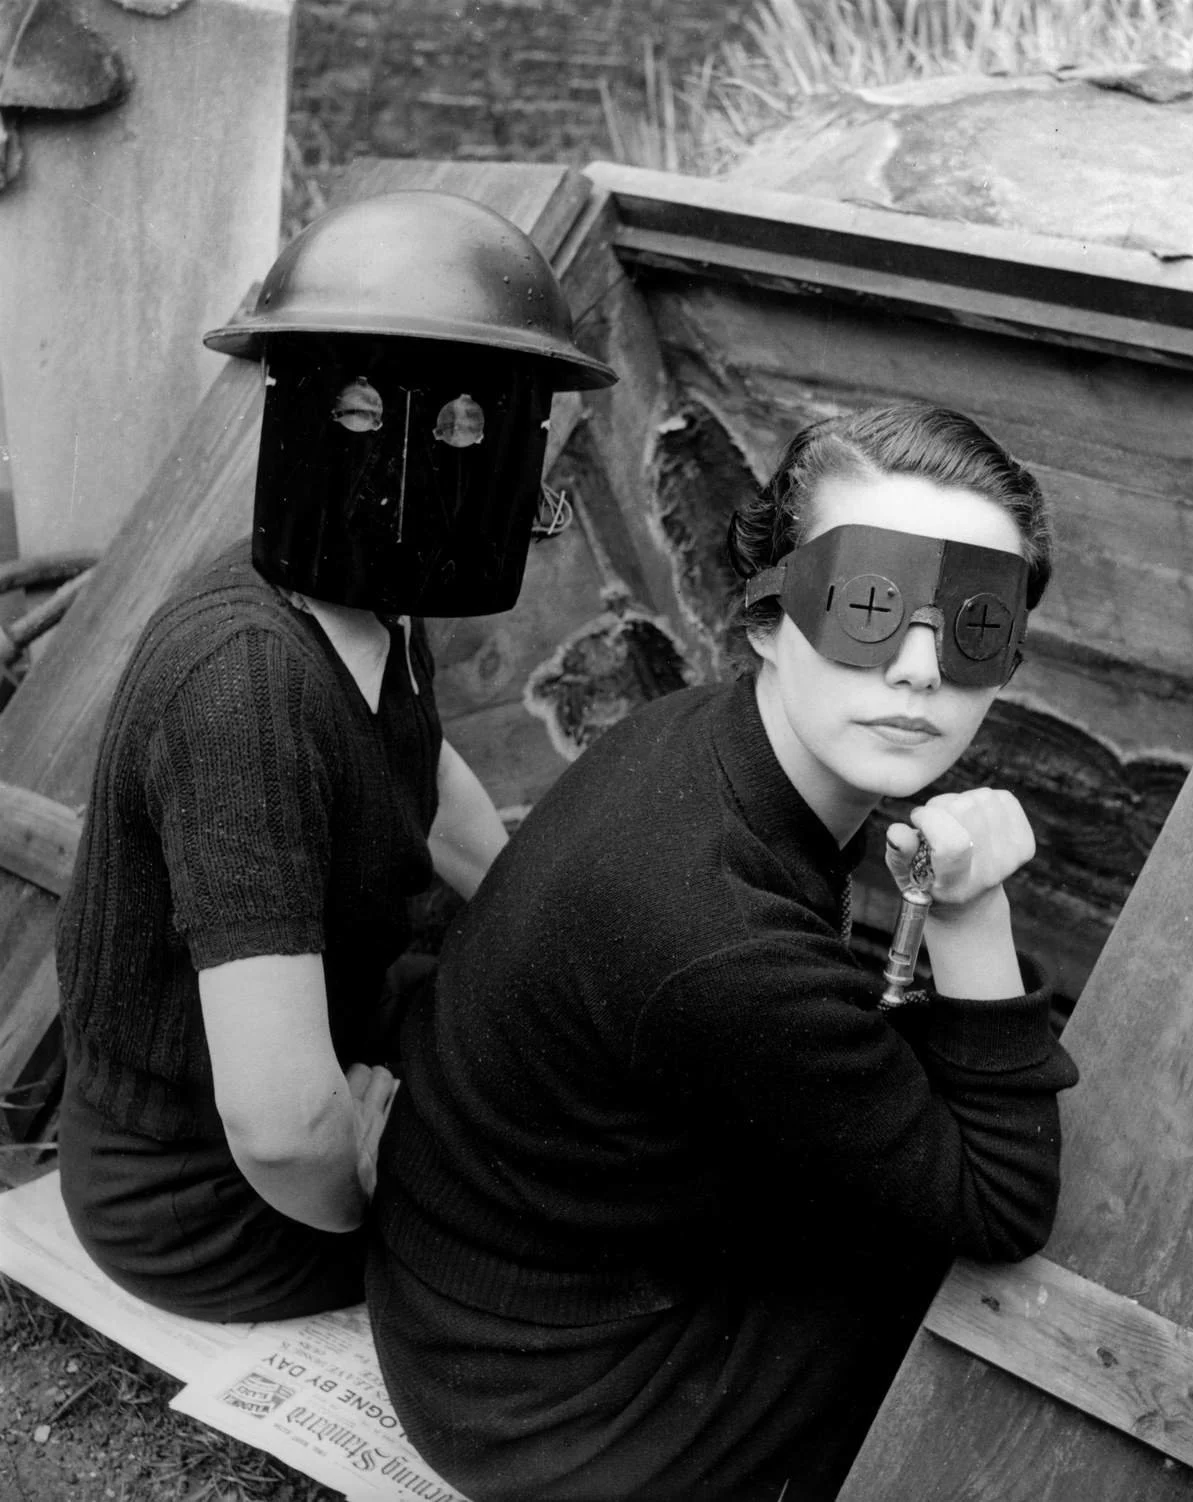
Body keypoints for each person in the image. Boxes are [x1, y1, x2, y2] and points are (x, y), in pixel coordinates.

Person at [368, 401, 1080, 1501]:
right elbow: (1003, 1203)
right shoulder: (717, 933)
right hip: (562, 1401)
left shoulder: (708, 737)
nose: (920, 671)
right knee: (990, 1305)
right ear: (764, 618)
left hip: (486, 1292)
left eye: (974, 624)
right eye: (867, 608)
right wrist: (973, 904)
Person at [53, 190, 617, 1323]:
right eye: (371, 414)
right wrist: (374, 1179)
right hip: (202, 1192)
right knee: (572, 1208)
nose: (443, 460)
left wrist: (541, 934)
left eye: (477, 427)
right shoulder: (245, 684)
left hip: (326, 1046)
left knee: (565, 1068)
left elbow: (422, 764)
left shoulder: (370, 588)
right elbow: (274, 1120)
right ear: (304, 415)